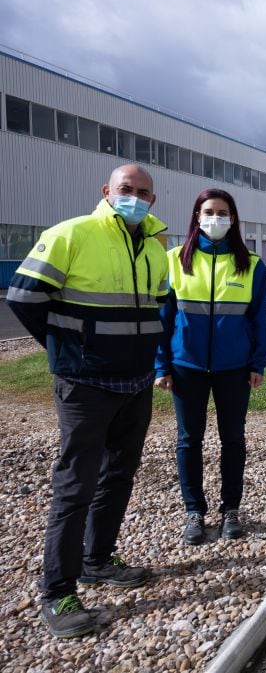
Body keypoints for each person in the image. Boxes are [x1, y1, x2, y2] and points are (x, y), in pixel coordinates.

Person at [6, 165, 167, 638]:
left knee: (119, 473)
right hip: (85, 386)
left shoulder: (154, 249)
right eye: (125, 190)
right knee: (75, 485)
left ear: (152, 201)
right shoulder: (70, 235)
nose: (134, 198)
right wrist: (66, 349)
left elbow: (156, 306)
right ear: (107, 192)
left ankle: (98, 559)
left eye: (142, 193)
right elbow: (22, 296)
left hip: (135, 383)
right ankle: (57, 592)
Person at [154, 189, 266, 545]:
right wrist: (161, 365)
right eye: (209, 211)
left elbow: (259, 320)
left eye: (223, 212)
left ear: (233, 219)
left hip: (234, 369)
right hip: (186, 365)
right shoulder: (174, 260)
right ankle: (194, 511)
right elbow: (163, 318)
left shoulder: (252, 264)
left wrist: (258, 362)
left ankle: (231, 509)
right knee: (189, 440)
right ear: (196, 216)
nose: (215, 218)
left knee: (233, 439)